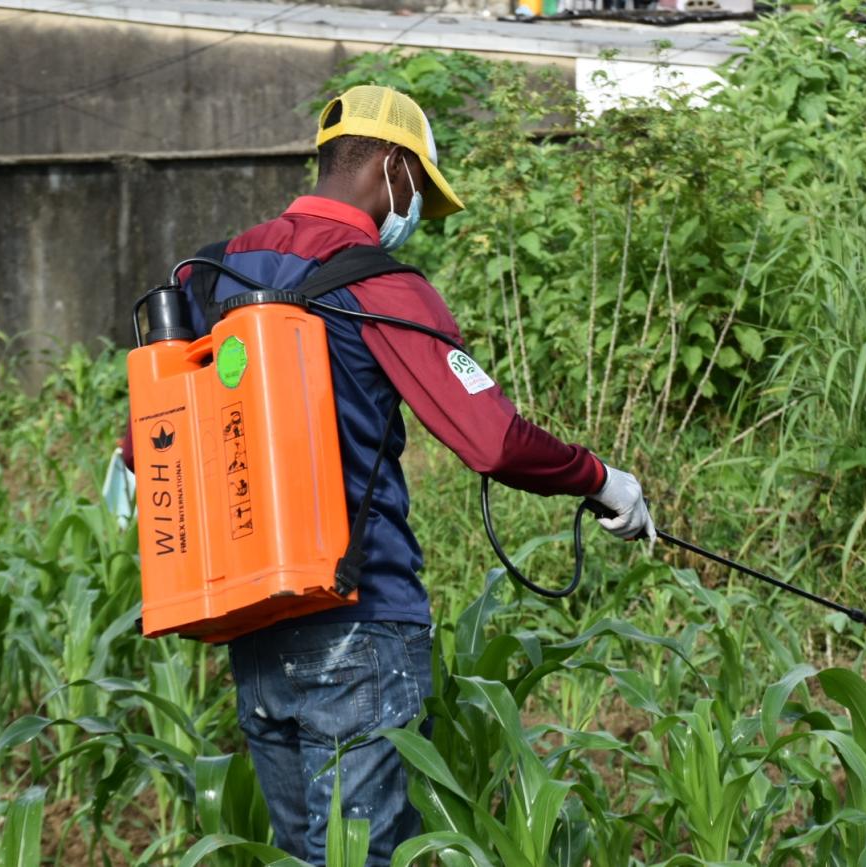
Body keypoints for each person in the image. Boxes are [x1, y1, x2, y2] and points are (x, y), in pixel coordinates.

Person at [180, 85, 654, 866]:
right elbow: (491, 439)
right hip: (358, 627)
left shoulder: (219, 271)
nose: (414, 218)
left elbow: (154, 427)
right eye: (419, 195)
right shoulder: (381, 285)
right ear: (392, 167)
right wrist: (603, 479)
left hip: (254, 626)